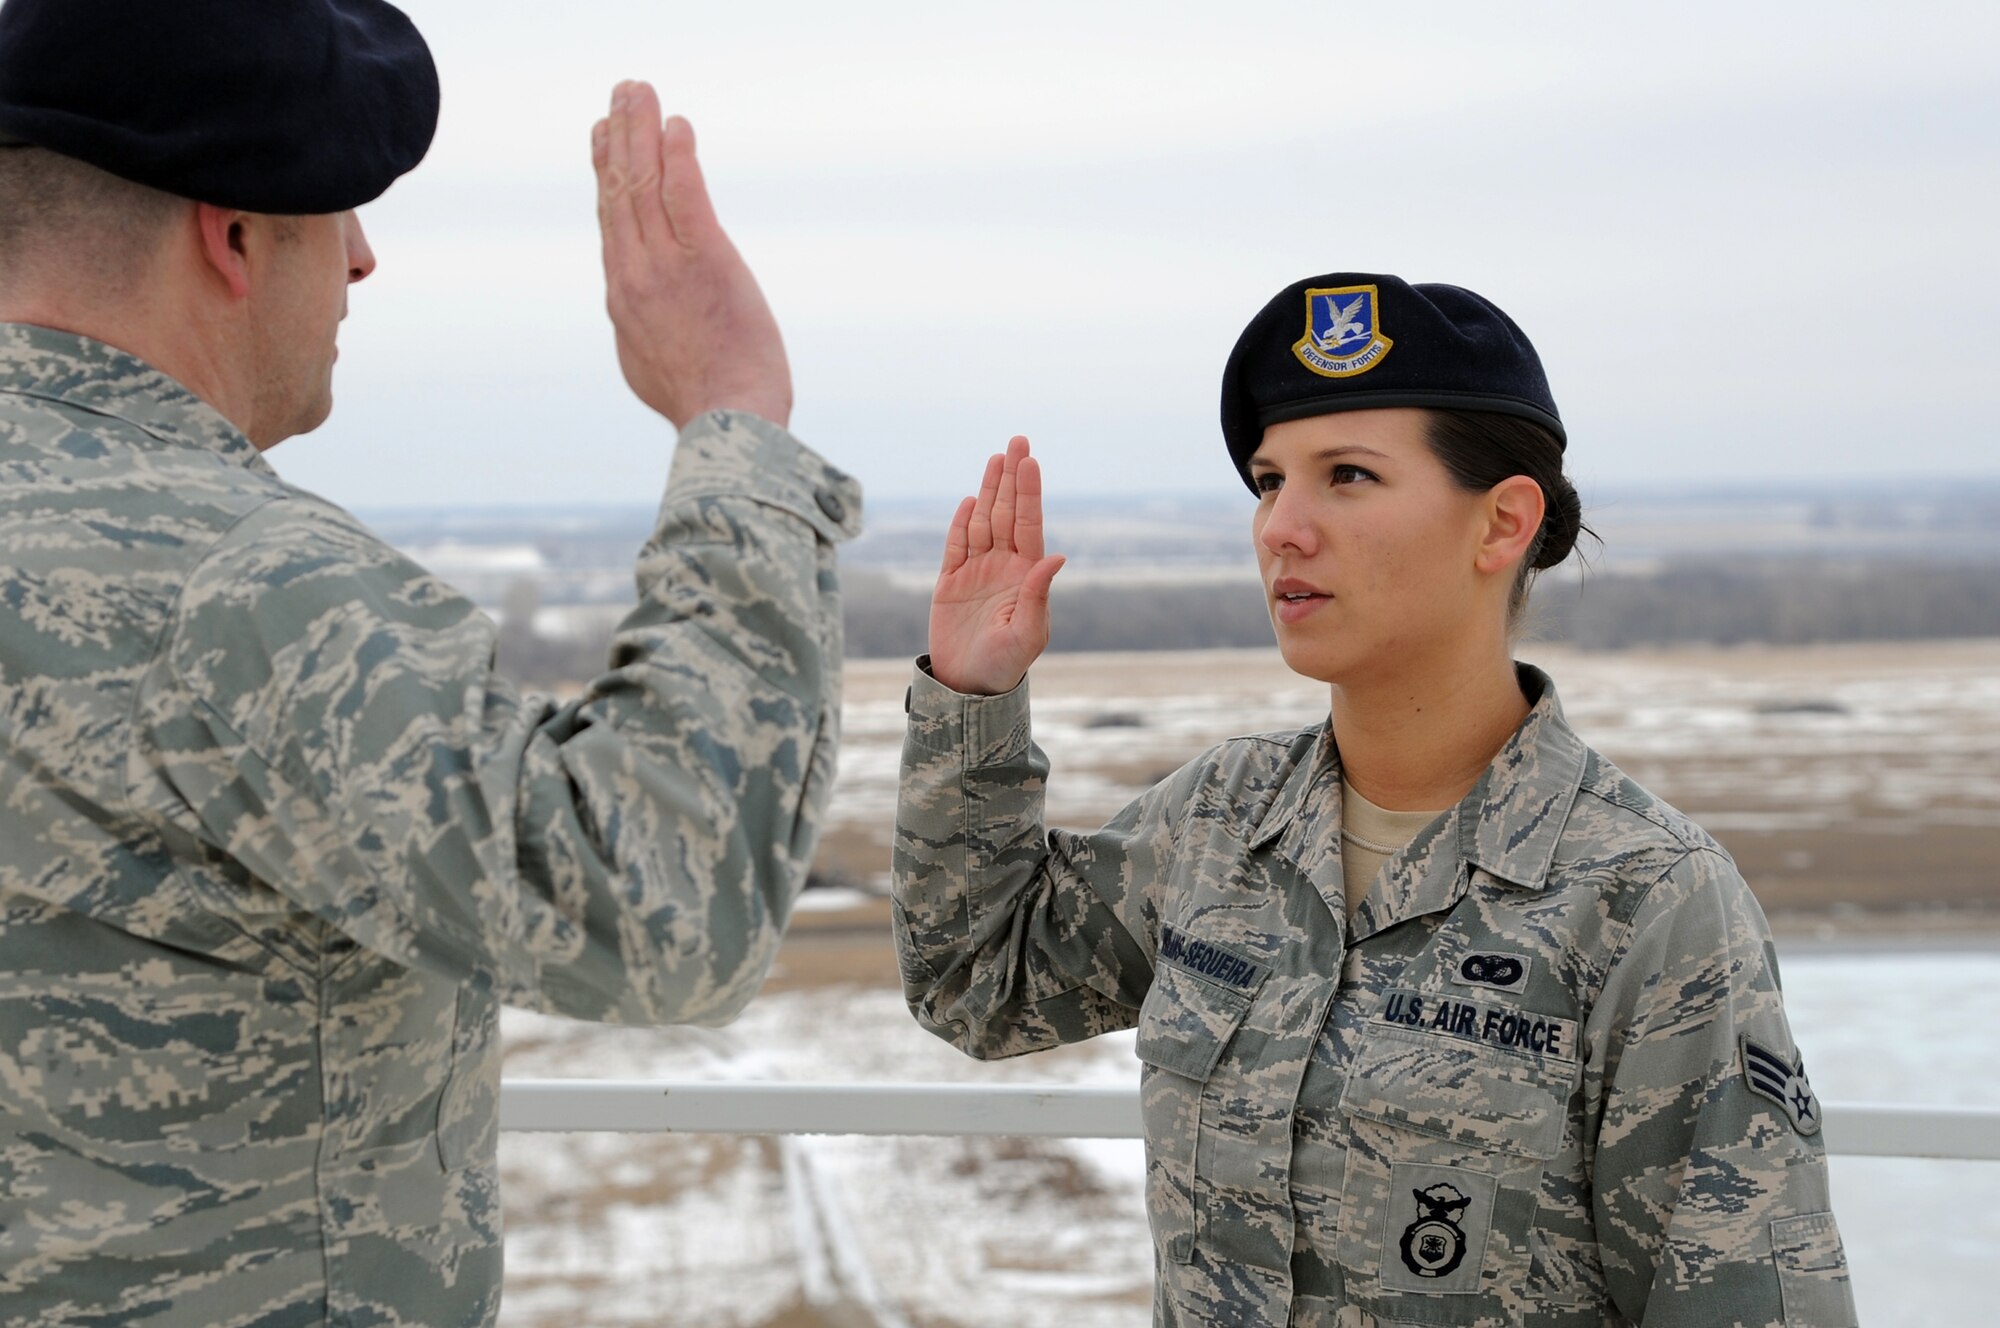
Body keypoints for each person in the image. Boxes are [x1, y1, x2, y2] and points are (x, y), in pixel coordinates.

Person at [0, 1, 858, 1324]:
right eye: (337, 213)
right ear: (232, 237)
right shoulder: (237, 586)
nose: (361, 261)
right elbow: (664, 905)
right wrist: (736, 415)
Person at [894, 273, 1857, 1326]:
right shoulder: (1220, 821)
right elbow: (976, 980)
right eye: (1267, 481)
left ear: (1501, 524)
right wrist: (971, 699)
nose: (1281, 528)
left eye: (1345, 475)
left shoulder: (1645, 900)